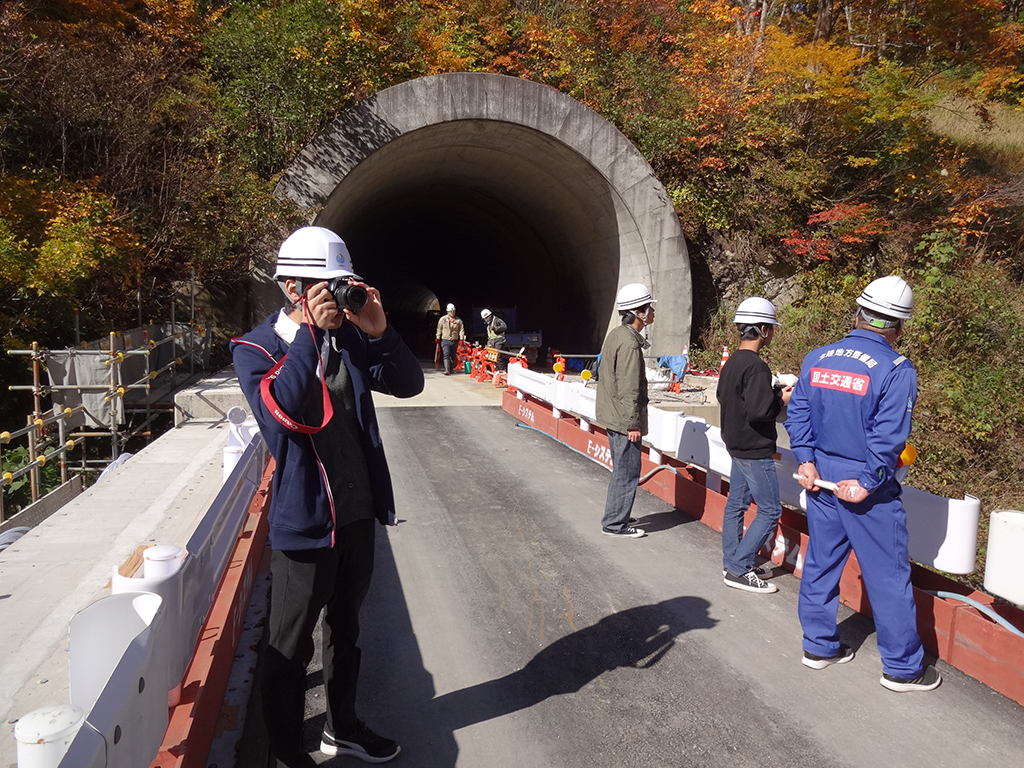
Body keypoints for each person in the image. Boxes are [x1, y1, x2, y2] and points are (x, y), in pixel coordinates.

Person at [231, 226, 424, 767]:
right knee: (288, 647)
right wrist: (310, 335)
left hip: (358, 514)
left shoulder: (350, 338)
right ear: (293, 288)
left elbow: (409, 383)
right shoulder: (255, 347)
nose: (337, 295)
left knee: (347, 629)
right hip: (307, 521)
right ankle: (287, 749)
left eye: (341, 284)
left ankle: (344, 727)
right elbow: (287, 416)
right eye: (325, 285)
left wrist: (381, 331)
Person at [786, 275, 941, 693]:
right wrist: (868, 482)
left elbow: (797, 413)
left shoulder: (818, 357)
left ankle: (818, 647)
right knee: (887, 576)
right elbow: (888, 439)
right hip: (864, 489)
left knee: (820, 564)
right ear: (899, 326)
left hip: (821, 481)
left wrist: (806, 461)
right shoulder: (895, 369)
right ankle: (903, 669)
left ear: (858, 313)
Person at [718, 297, 792, 594]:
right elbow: (761, 411)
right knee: (771, 510)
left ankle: (733, 560)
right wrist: (781, 398)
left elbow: (729, 398)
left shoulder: (732, 362)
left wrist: (768, 394)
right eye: (771, 328)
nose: (772, 333)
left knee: (736, 504)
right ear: (762, 329)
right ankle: (738, 569)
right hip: (754, 449)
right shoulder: (757, 367)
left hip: (735, 445)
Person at [596, 283, 656, 538]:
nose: (652, 312)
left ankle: (617, 513)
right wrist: (633, 424)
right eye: (649, 308)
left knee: (622, 468)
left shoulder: (616, 335)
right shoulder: (630, 345)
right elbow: (630, 387)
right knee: (628, 471)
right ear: (638, 312)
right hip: (624, 420)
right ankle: (615, 524)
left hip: (612, 414)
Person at [435, 302, 465, 375]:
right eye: (451, 311)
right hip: (445, 339)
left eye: (453, 311)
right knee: (446, 354)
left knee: (453, 356)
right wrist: (438, 337)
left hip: (454, 340)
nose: (452, 313)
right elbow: (439, 328)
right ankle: (447, 370)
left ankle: (451, 369)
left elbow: (461, 330)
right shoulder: (443, 319)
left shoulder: (458, 321)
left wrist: (461, 338)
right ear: (447, 311)